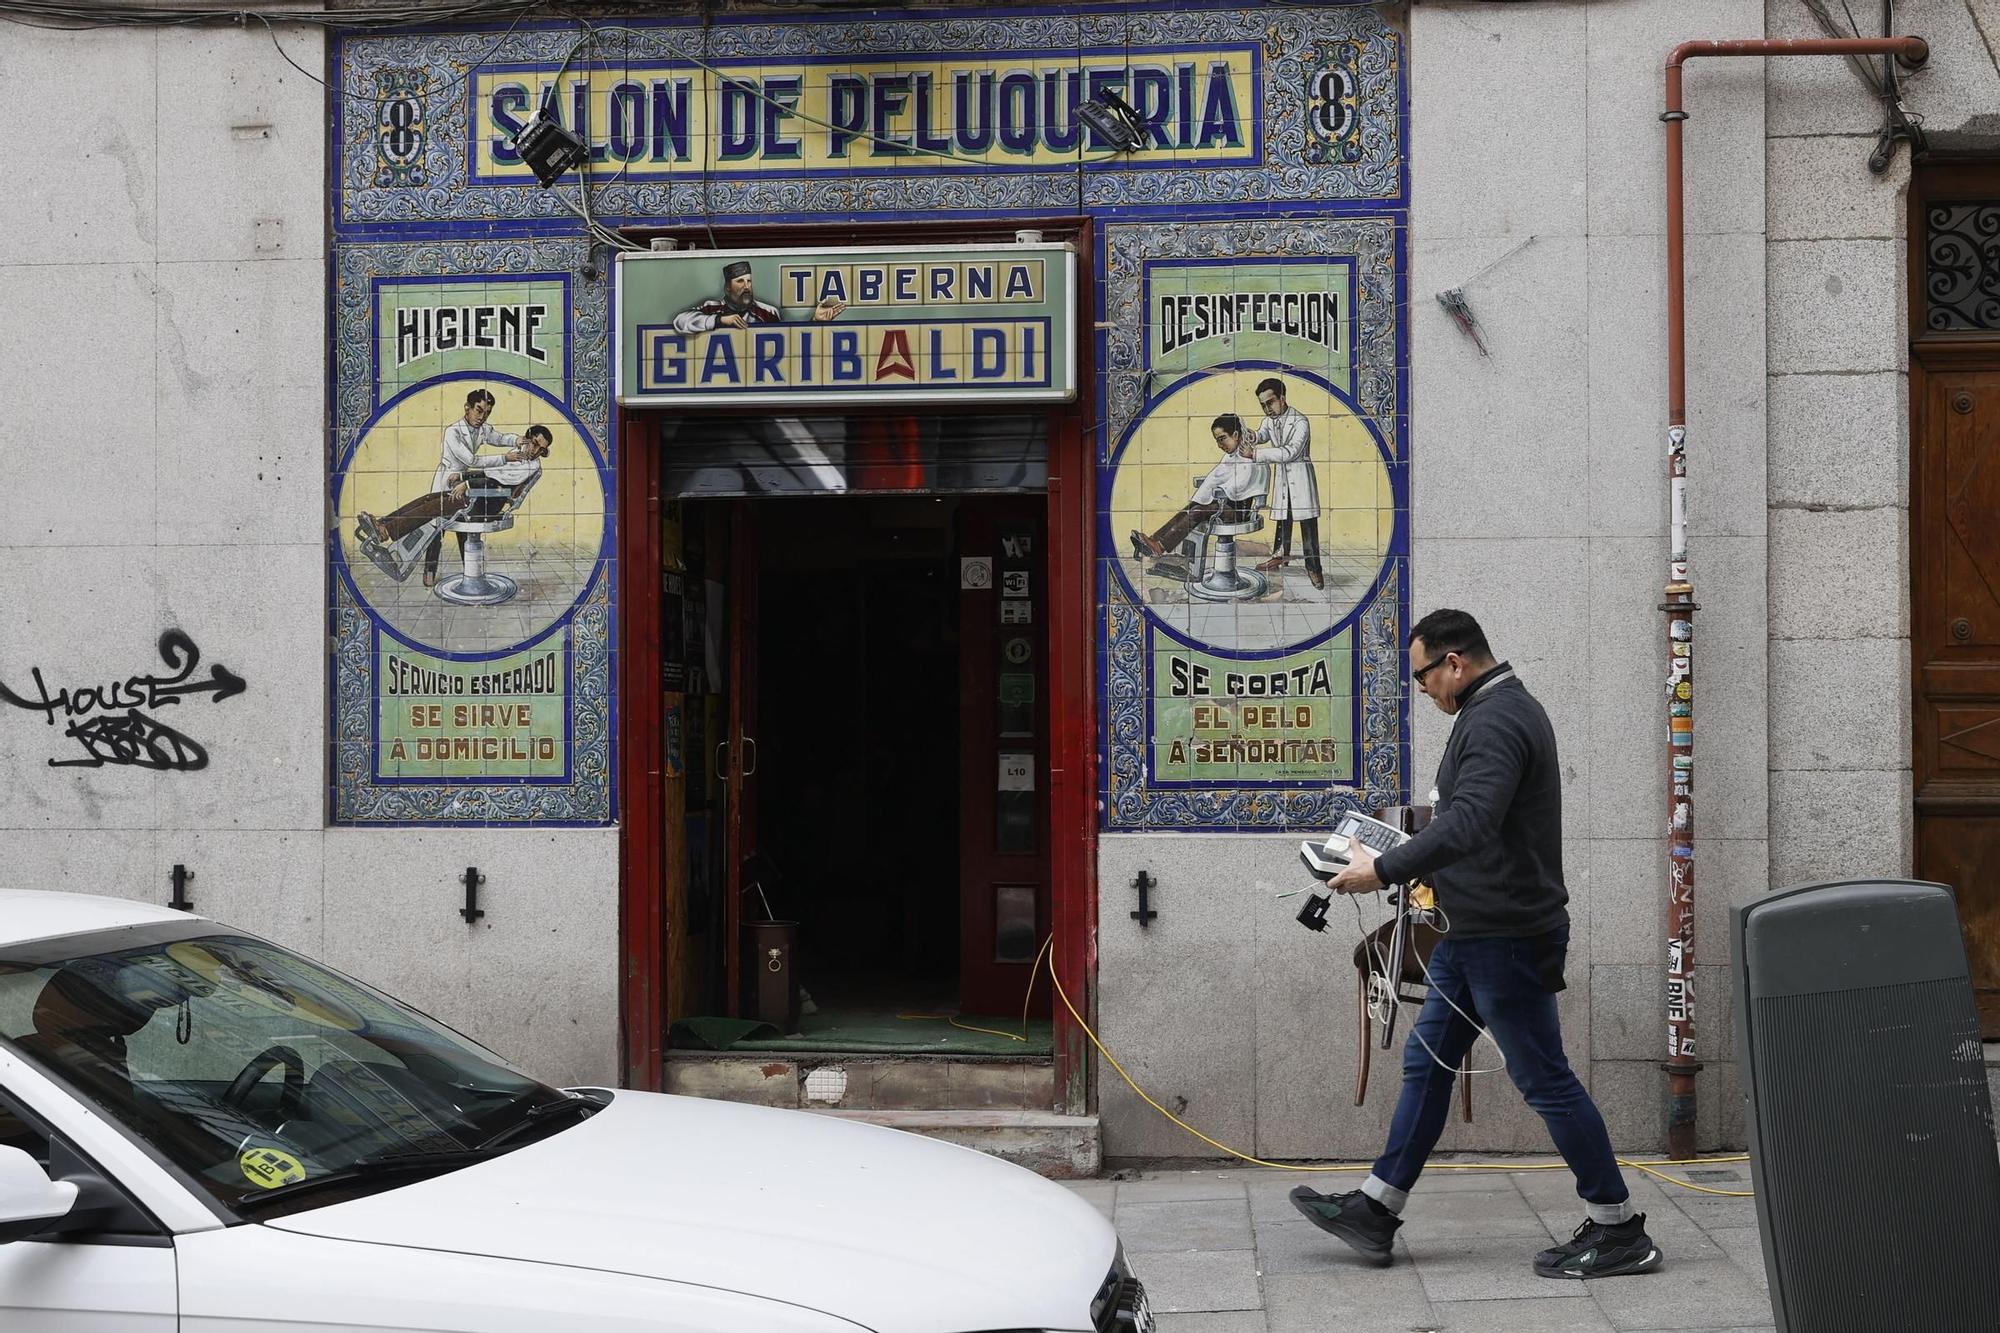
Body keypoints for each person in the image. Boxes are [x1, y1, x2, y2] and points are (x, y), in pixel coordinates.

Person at [1288, 609, 1662, 1280]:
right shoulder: (1494, 711)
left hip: (1507, 937)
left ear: (1455, 663)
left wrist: (1384, 867)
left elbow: (1471, 821)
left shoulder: (1495, 720)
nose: (1424, 689)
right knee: (1426, 1063)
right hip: (1473, 932)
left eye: (1424, 675)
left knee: (1545, 1078)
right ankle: (1376, 1207)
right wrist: (1394, 850)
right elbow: (1470, 825)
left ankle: (1619, 1227)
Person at [358, 425, 551, 548]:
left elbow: (497, 484)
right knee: (429, 498)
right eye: (533, 444)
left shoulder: (528, 466)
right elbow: (489, 473)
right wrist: (461, 475)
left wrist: (466, 484)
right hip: (481, 495)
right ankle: (383, 523)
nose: (535, 451)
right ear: (526, 439)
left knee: (434, 507)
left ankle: (387, 532)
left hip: (487, 503)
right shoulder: (516, 453)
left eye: (540, 449)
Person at [421, 389, 539, 587]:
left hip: (462, 481)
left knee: (463, 526)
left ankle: (468, 572)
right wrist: (505, 458)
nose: (482, 417)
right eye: (479, 410)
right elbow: (471, 459)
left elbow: (500, 438)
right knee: (437, 529)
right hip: (446, 478)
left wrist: (517, 440)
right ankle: (429, 571)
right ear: (467, 408)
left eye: (487, 413)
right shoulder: (453, 431)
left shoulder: (483, 428)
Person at [1128, 413, 1267, 559]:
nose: (1220, 445)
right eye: (1217, 441)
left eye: (1222, 439)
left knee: (1198, 510)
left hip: (1239, 512)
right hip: (1223, 505)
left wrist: (1216, 491)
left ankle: (1161, 547)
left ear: (1236, 435)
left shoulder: (1249, 458)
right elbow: (1215, 479)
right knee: (1190, 507)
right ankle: (1154, 540)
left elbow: (1238, 487)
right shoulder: (1231, 457)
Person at [1250, 377, 1323, 590]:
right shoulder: (1269, 420)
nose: (1267, 408)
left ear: (1282, 398)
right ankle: (1278, 558)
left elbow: (1290, 452)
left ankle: (1314, 568)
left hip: (1300, 475)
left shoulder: (1301, 421)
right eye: (1263, 405)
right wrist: (1248, 434)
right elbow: (1261, 435)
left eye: (1270, 402)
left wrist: (1255, 454)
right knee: (1283, 519)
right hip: (1283, 477)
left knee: (1308, 525)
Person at [672, 259, 845, 333]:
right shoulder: (712, 307)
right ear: (727, 288)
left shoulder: (767, 312)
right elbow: (680, 321)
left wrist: (816, 322)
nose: (746, 286)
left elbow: (790, 341)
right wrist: (720, 320)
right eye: (740, 281)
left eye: (749, 281)